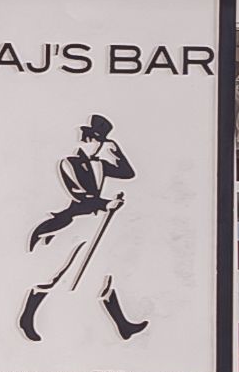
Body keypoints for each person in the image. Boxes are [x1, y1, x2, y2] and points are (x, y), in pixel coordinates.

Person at [22, 112, 150, 342]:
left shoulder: (100, 165)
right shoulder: (68, 163)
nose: (96, 146)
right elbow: (80, 196)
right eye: (94, 141)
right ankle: (27, 318)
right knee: (56, 272)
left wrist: (115, 148)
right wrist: (106, 203)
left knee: (106, 274)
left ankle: (123, 326)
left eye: (100, 142)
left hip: (95, 222)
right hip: (74, 223)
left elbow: (128, 173)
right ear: (87, 140)